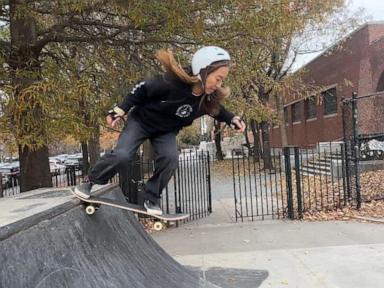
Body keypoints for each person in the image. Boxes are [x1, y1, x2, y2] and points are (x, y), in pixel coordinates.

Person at [73, 46, 246, 215]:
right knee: (122, 155)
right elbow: (141, 88)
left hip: (166, 131)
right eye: (218, 78)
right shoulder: (170, 83)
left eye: (222, 80)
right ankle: (90, 181)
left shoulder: (207, 100)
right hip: (141, 122)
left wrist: (232, 119)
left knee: (170, 159)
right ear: (203, 70)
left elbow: (219, 111)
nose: (219, 84)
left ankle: (152, 197)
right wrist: (120, 109)